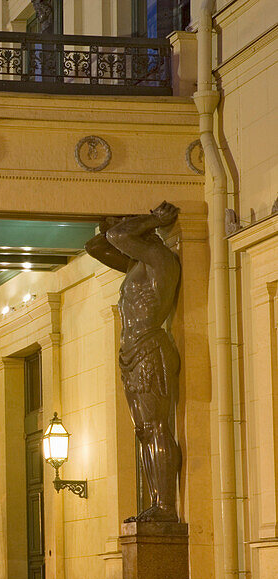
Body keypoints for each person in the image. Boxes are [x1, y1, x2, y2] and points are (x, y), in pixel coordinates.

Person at [85, 202, 182, 522]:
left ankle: (166, 506)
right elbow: (97, 244)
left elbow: (115, 235)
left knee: (156, 427)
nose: (113, 227)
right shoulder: (135, 263)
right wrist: (114, 219)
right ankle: (157, 502)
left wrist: (152, 219)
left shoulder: (159, 258)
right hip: (133, 352)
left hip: (149, 348)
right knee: (144, 430)